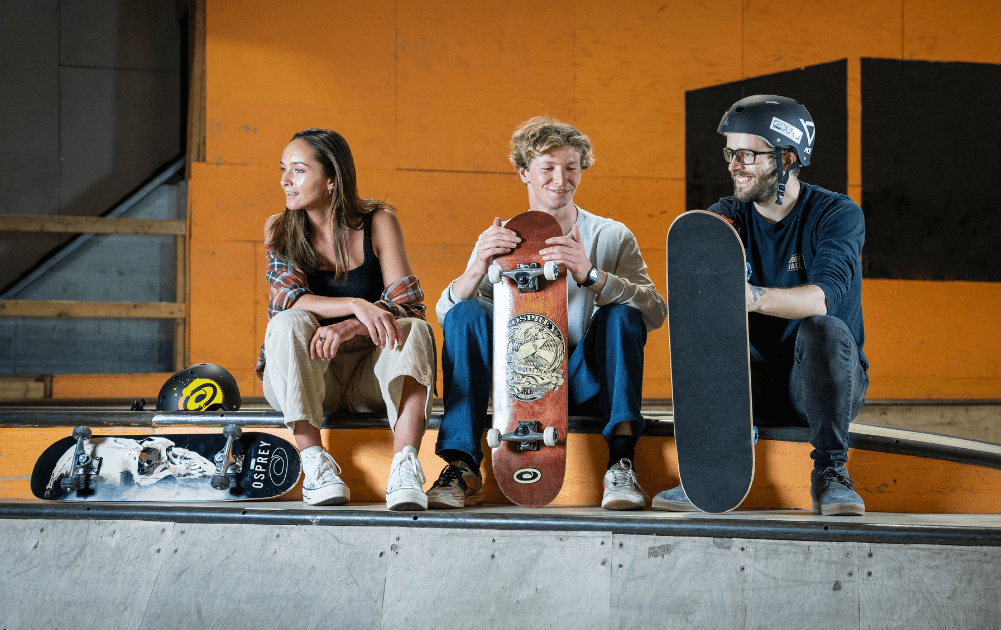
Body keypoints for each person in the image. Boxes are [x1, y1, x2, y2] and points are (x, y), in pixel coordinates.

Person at [433, 117, 666, 510]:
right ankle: (462, 466)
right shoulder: (501, 238)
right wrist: (476, 268)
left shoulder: (611, 235)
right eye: (548, 168)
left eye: (572, 168)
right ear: (524, 173)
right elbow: (447, 316)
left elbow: (655, 312)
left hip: (584, 378)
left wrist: (593, 277)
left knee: (620, 315)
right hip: (521, 381)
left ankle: (620, 464)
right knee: (466, 313)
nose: (562, 179)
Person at [652, 95, 870, 515]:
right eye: (730, 152)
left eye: (748, 154)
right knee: (712, 327)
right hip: (750, 387)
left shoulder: (836, 215)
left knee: (822, 326)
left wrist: (750, 297)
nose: (734, 164)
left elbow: (822, 298)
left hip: (821, 383)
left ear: (786, 158)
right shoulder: (726, 217)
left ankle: (831, 473)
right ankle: (710, 469)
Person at [257, 128, 438, 511]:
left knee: (415, 330)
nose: (285, 180)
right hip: (304, 376)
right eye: (283, 169)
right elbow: (288, 299)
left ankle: (405, 468)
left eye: (298, 170)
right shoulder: (280, 229)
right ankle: (315, 465)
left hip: (366, 381)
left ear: (331, 180)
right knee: (289, 322)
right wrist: (356, 305)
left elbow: (408, 303)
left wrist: (354, 325)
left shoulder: (378, 221)